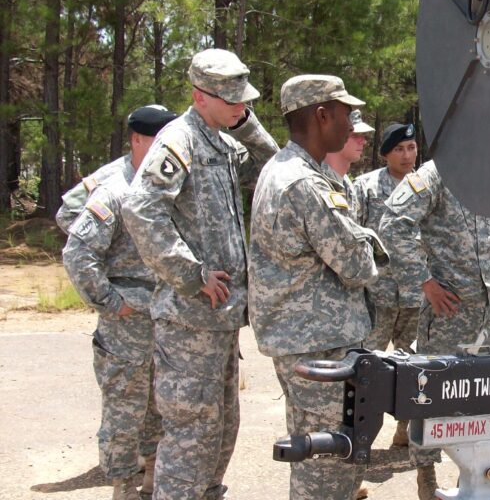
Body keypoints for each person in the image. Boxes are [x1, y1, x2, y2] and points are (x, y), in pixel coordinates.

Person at [123, 48, 278, 500]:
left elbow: (271, 162)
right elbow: (141, 210)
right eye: (230, 100)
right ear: (199, 96)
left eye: (243, 100)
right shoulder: (179, 140)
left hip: (221, 319)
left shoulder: (222, 141)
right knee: (191, 435)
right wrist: (191, 274)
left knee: (221, 429)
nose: (240, 107)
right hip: (190, 318)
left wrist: (246, 124)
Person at [248, 74, 387, 500]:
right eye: (345, 113)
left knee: (318, 458)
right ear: (321, 115)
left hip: (309, 343)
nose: (352, 123)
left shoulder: (287, 171)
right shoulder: (304, 183)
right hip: (319, 348)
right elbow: (357, 263)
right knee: (327, 470)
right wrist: (370, 243)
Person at [378, 159, 490, 500]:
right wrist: (423, 281)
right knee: (430, 399)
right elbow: (393, 224)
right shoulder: (435, 174)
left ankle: (474, 481)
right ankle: (426, 479)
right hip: (447, 311)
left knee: (485, 399)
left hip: (487, 314)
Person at [62, 105, 178, 500]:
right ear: (137, 140)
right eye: (158, 139)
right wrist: (111, 301)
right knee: (124, 410)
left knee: (160, 406)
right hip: (127, 324)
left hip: (166, 318)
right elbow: (78, 252)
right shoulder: (114, 189)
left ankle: (151, 482)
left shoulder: (173, 188)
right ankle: (123, 487)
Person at [354, 122, 421, 447]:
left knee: (412, 367)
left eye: (411, 148)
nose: (407, 155)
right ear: (385, 155)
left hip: (415, 295)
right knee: (369, 367)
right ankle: (360, 437)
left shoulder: (426, 186)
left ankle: (405, 430)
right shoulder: (365, 188)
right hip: (377, 296)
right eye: (399, 149)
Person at [323, 109, 374, 220]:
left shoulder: (346, 183)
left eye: (363, 135)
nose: (363, 141)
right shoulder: (317, 180)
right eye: (355, 135)